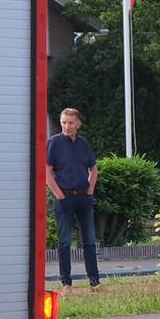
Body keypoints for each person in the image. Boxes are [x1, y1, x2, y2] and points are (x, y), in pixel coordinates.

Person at [46, 108, 100, 294]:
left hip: (83, 197)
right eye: (63, 122)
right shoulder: (53, 143)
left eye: (70, 123)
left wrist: (90, 190)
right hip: (64, 198)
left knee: (89, 241)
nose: (66, 126)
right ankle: (66, 284)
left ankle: (95, 282)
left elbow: (93, 169)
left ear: (78, 124)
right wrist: (58, 194)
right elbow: (46, 171)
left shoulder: (83, 144)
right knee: (64, 241)